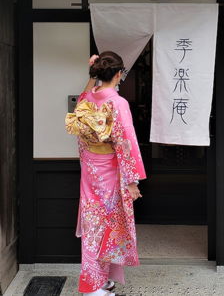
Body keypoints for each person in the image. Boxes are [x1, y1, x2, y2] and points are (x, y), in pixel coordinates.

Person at [65, 51, 146, 295]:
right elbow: (125, 141)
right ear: (119, 75)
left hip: (91, 169)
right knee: (103, 225)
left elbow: (81, 99)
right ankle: (92, 285)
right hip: (110, 173)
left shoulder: (89, 98)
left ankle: (101, 279)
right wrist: (132, 181)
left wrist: (91, 77)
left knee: (96, 223)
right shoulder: (117, 103)